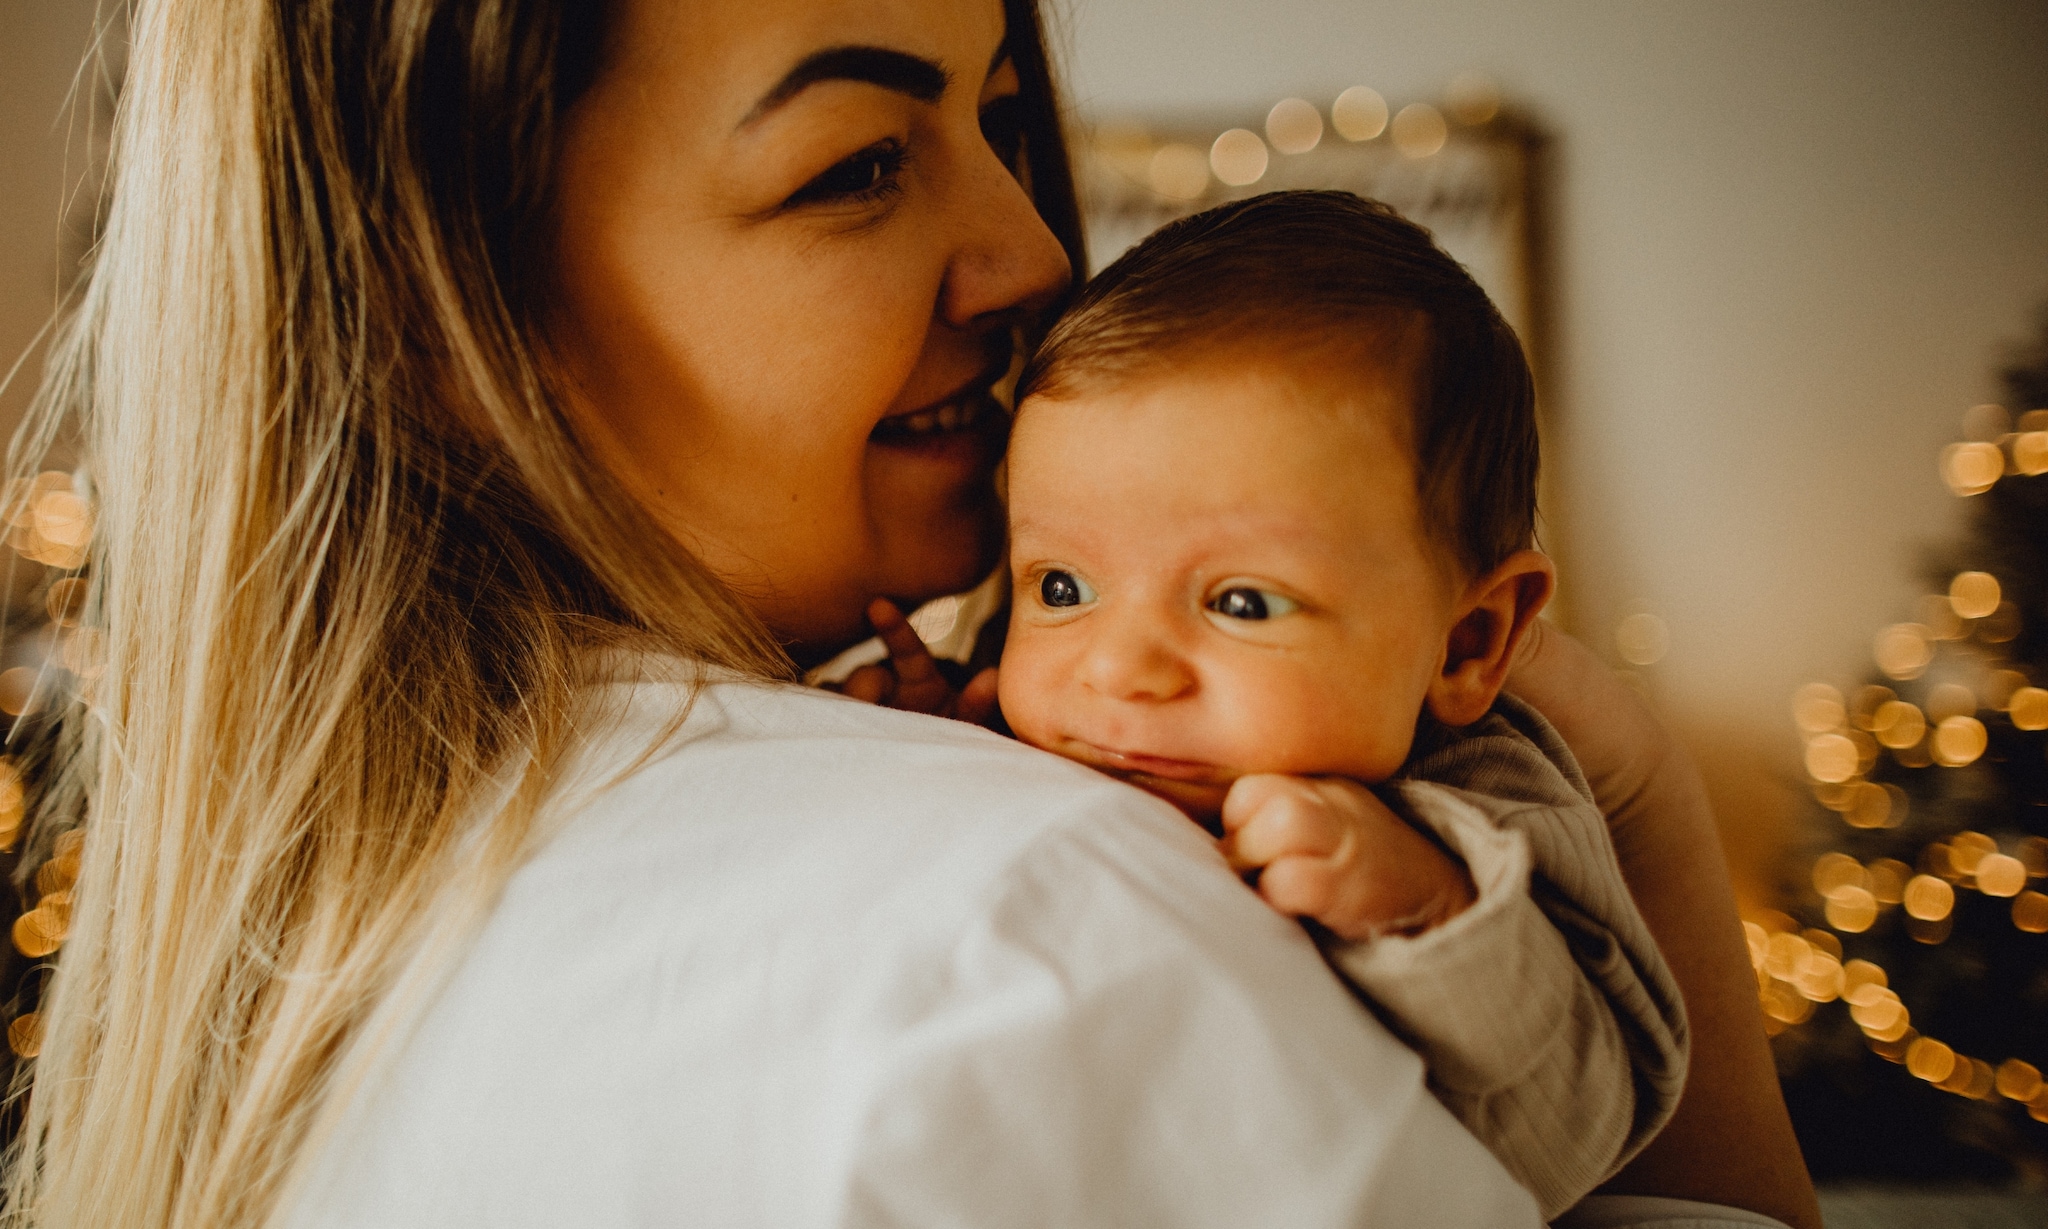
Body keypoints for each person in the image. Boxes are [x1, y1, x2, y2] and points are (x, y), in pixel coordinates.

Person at [0, 2, 1819, 1229]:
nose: (1036, 249)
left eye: (1002, 116)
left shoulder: (351, 902)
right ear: (439, 321)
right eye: (856, 163)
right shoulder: (1034, 927)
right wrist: (1647, 815)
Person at [847, 189, 1690, 1218]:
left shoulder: (1490, 801)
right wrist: (946, 728)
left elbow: (1588, 1125)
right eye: (1061, 586)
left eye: (1241, 602)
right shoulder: (1045, 717)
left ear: (1468, 641)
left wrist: (1424, 907)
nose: (1119, 669)